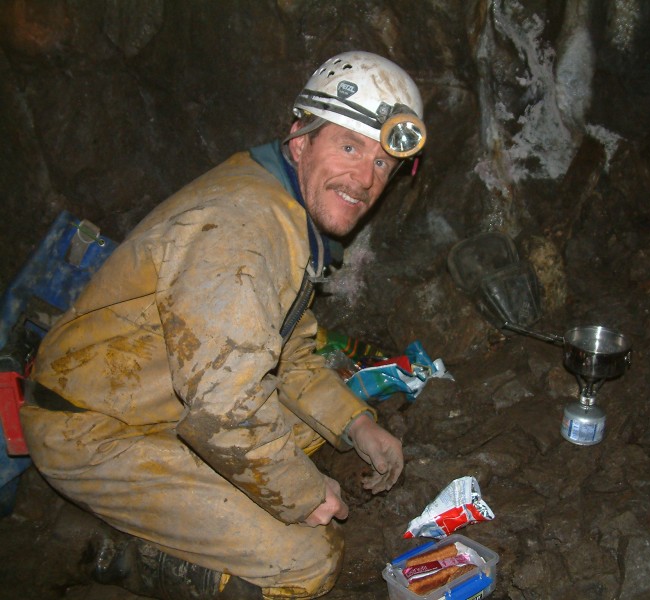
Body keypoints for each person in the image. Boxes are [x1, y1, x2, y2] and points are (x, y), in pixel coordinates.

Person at [20, 50, 427, 599]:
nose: (364, 179)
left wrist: (358, 425)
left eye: (382, 164)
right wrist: (305, 495)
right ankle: (108, 551)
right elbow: (224, 411)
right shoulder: (244, 227)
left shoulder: (282, 203)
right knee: (308, 560)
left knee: (309, 429)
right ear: (300, 140)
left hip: (158, 399)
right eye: (350, 147)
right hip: (91, 428)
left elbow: (287, 353)